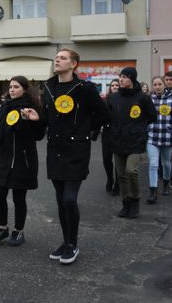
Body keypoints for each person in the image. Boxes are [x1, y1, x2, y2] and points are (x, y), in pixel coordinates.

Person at [23, 49, 109, 265]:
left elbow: (104, 114)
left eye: (62, 58)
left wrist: (86, 130)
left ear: (74, 64)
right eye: (57, 58)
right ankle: (66, 241)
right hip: (55, 150)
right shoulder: (49, 87)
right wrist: (36, 118)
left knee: (70, 199)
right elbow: (47, 120)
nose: (57, 60)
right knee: (61, 201)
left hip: (76, 150)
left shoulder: (85, 88)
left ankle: (73, 244)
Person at [0, 76, 44, 247]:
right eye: (10, 87)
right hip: (3, 159)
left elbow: (38, 135)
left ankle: (18, 231)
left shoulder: (32, 108)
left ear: (25, 89)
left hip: (23, 160)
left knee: (19, 198)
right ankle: (2, 228)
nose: (11, 89)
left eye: (16, 87)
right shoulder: (5, 108)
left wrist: (32, 121)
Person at [106, 68, 156, 216]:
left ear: (132, 79)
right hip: (118, 140)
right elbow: (107, 116)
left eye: (125, 77)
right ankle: (125, 202)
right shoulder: (113, 98)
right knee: (121, 174)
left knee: (131, 171)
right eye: (120, 77)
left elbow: (152, 116)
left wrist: (139, 127)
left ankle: (135, 201)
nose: (121, 80)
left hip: (136, 141)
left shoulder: (142, 97)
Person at [147, 76, 172, 203]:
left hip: (167, 138)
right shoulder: (149, 99)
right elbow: (144, 118)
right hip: (152, 137)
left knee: (166, 163)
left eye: (159, 84)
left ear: (164, 85)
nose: (157, 87)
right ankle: (153, 192)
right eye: (155, 84)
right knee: (153, 164)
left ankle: (166, 183)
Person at [102, 79, 120, 195]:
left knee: (118, 160)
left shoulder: (123, 99)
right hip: (107, 132)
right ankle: (110, 178)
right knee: (106, 159)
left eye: (117, 85)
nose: (114, 87)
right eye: (112, 85)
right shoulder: (105, 99)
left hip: (119, 133)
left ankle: (117, 185)